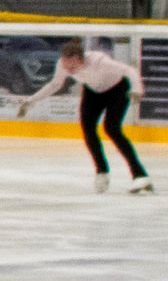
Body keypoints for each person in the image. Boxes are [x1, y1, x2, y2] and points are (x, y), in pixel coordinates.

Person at [21, 35, 152, 191]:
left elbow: (129, 70)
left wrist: (137, 89)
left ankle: (140, 175)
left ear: (78, 58)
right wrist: (31, 100)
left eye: (71, 66)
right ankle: (101, 171)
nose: (67, 69)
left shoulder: (99, 62)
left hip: (117, 89)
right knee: (87, 129)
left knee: (112, 129)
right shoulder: (62, 64)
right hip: (92, 92)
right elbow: (55, 84)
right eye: (65, 64)